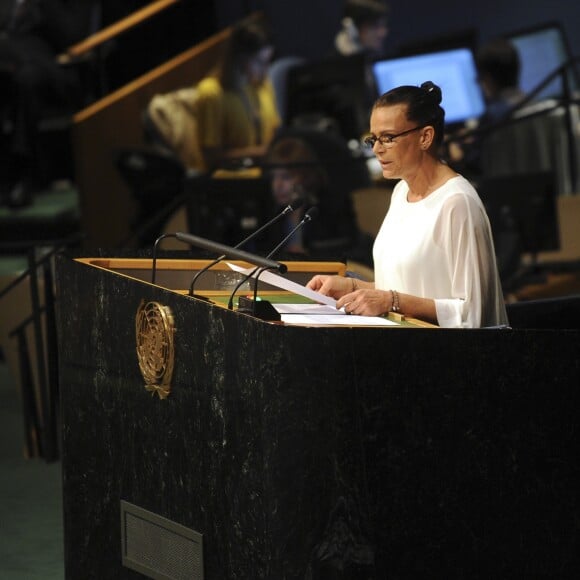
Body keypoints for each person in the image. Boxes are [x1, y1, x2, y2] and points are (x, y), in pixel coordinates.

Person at [307, 81, 508, 329]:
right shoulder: (401, 191)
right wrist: (352, 286)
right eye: (374, 139)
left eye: (388, 138)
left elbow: (471, 313)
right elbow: (408, 286)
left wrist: (391, 301)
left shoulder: (457, 203)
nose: (377, 150)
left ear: (425, 137)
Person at [146, 15, 281, 174]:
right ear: (240, 59)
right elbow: (212, 158)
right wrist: (260, 153)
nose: (266, 69)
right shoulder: (212, 93)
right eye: (260, 62)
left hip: (267, 172)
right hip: (234, 177)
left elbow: (274, 129)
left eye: (268, 61)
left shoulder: (262, 84)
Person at [0, 0, 95, 206]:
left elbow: (73, 35)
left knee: (26, 78)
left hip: (52, 66)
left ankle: (22, 172)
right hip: (9, 62)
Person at [260, 135, 372, 264]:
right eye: (274, 177)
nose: (277, 185)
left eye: (286, 177)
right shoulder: (270, 210)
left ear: (306, 176)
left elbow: (344, 250)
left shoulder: (332, 204)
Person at [447, 37, 526, 177]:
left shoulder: (493, 116)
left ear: (487, 78)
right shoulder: (530, 105)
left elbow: (474, 162)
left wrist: (457, 149)